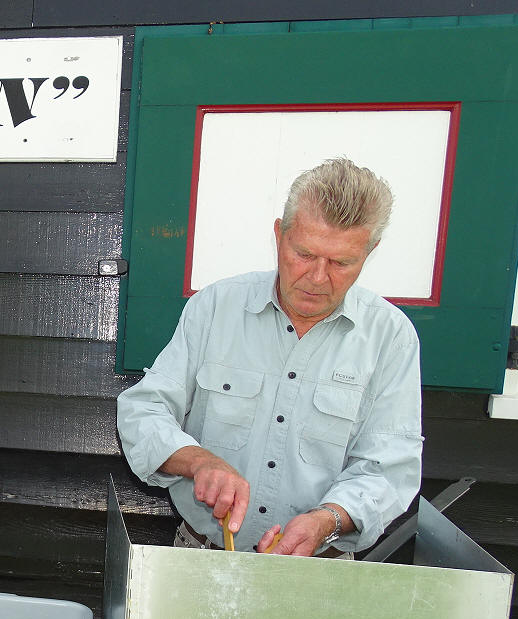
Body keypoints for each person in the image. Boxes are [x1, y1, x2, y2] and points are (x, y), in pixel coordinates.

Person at [116, 157, 423, 557]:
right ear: (279, 234)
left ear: (370, 251)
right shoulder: (216, 307)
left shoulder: (391, 336)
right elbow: (145, 410)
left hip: (319, 569)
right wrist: (198, 461)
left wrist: (328, 520)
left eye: (341, 263)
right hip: (203, 555)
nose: (318, 277)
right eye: (304, 254)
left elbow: (390, 468)